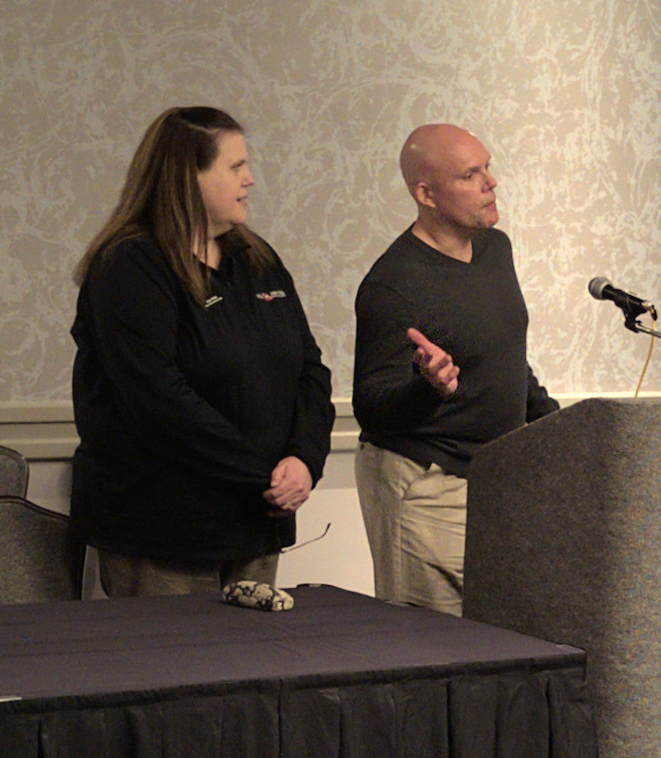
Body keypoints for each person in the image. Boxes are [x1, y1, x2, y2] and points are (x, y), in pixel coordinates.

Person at [70, 106, 335, 597]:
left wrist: (304, 461)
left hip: (255, 522)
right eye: (235, 167)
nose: (250, 179)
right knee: (176, 669)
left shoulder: (256, 259)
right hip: (165, 532)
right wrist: (264, 474)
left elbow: (310, 371)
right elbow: (158, 400)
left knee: (253, 670)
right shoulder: (130, 267)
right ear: (186, 178)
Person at [352, 123, 559, 616]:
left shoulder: (495, 250)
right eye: (471, 174)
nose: (491, 182)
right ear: (426, 193)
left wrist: (553, 421)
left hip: (492, 480)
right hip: (426, 486)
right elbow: (372, 408)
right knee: (434, 654)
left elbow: (503, 353)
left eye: (488, 167)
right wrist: (428, 387)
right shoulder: (393, 283)